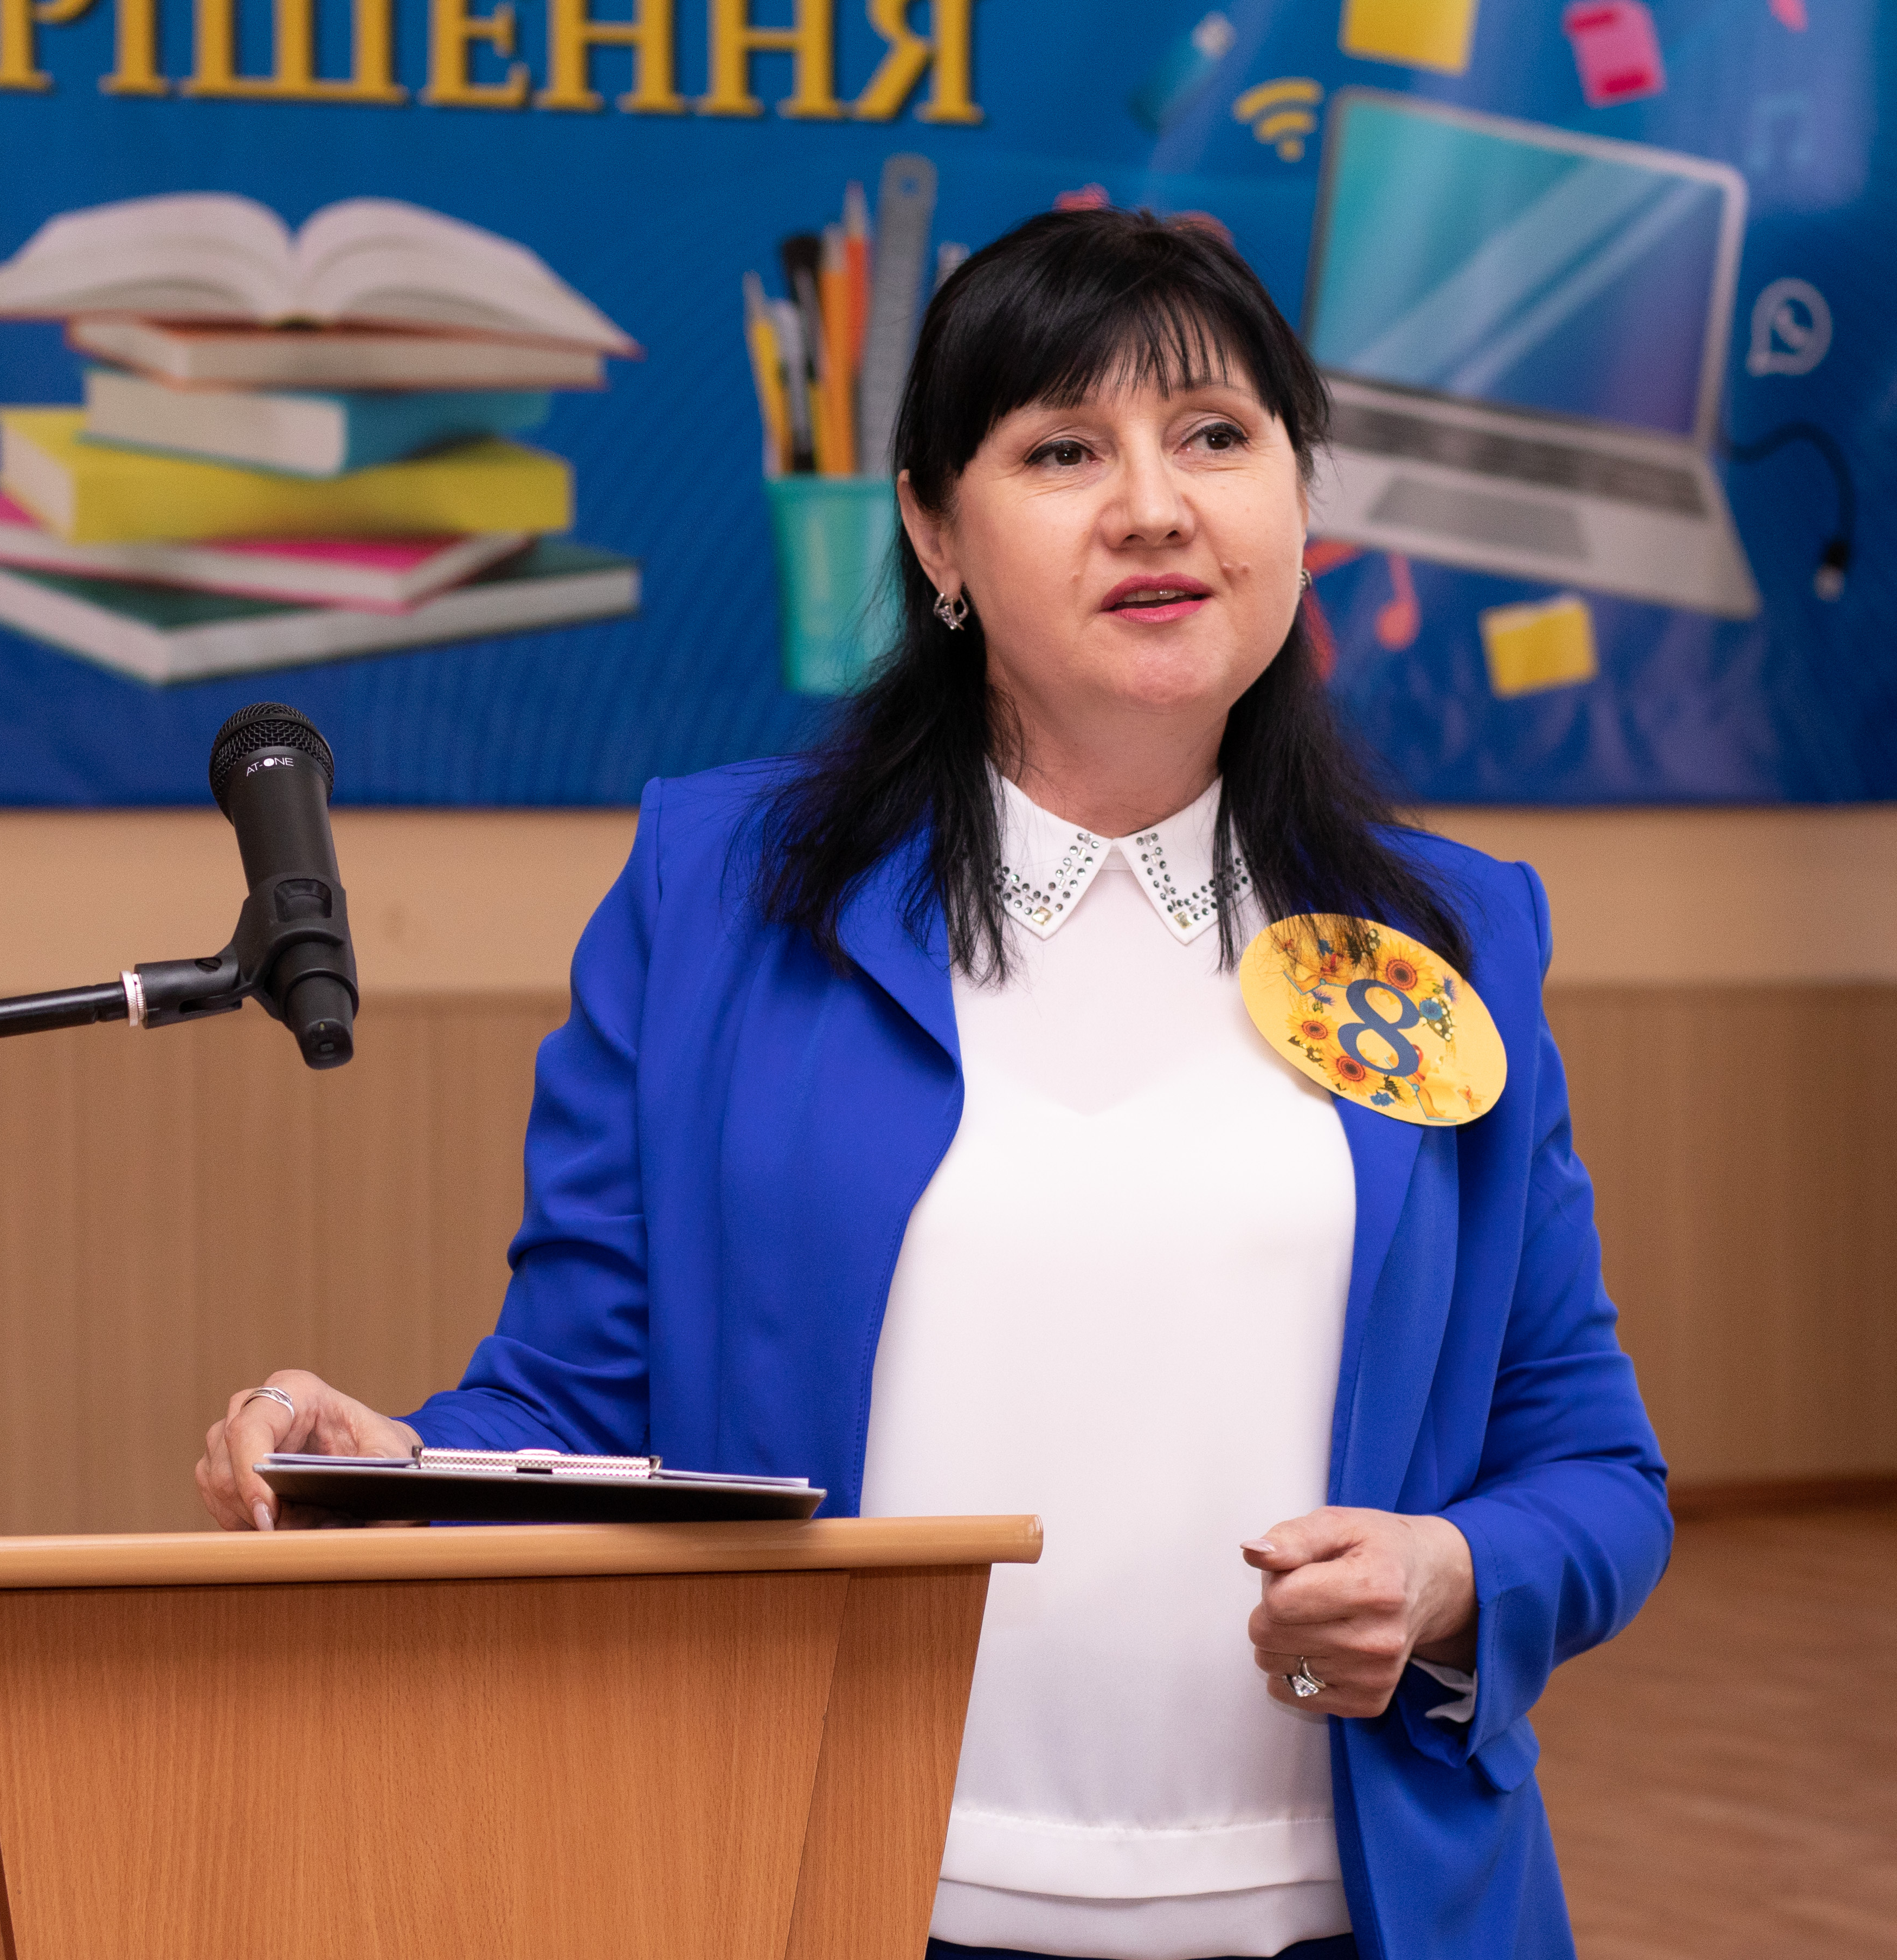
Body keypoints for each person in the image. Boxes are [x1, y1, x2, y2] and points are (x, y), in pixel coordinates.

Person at [195, 208, 1670, 1960]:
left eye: (1216, 436)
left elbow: (1591, 1465)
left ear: (1299, 496)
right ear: (933, 532)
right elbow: (581, 1396)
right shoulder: (721, 893)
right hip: (846, 1894)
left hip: (1356, 1917)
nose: (1154, 506)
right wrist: (396, 1461)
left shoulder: (1452, 939)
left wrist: (1453, 1579)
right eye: (1062, 451)